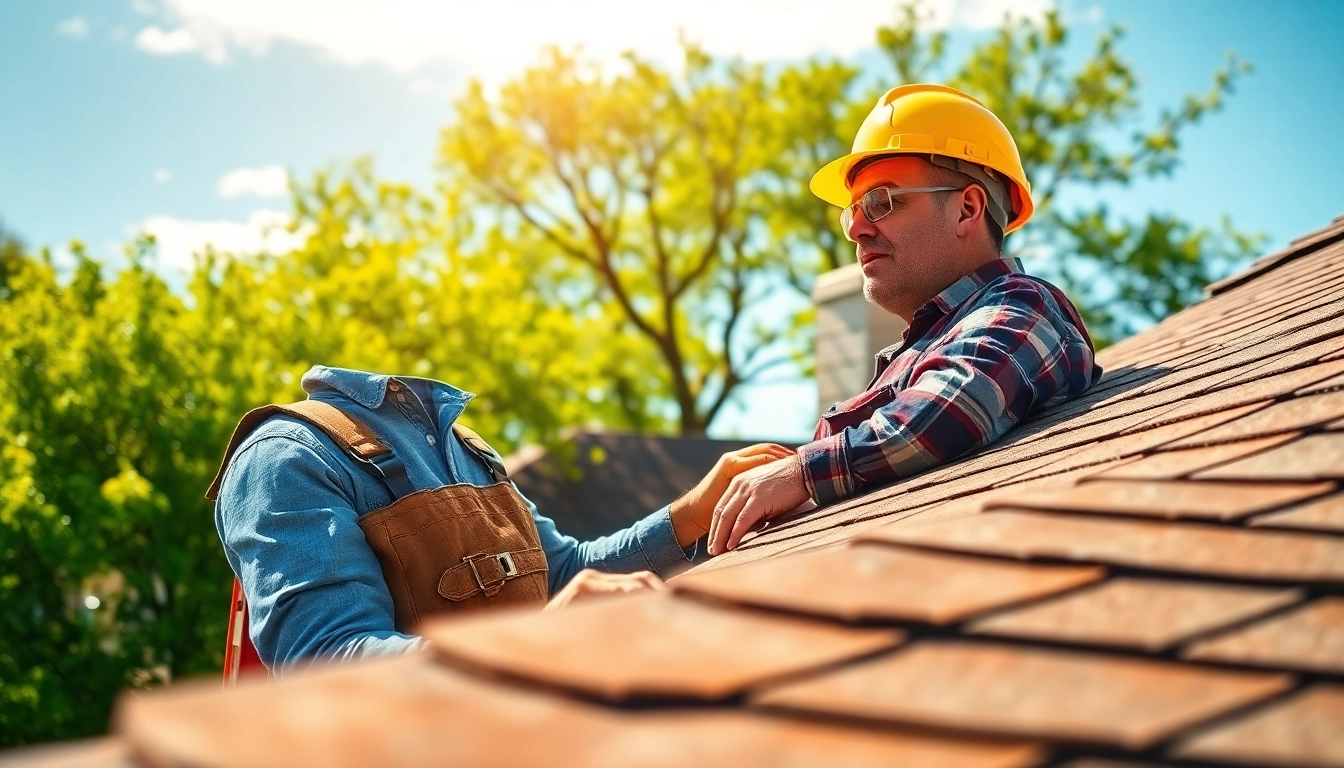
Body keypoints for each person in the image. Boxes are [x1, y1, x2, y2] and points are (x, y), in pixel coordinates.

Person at [706, 83, 1101, 556]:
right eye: (853, 212)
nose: (856, 228)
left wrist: (801, 472)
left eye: (881, 202)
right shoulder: (922, 349)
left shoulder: (1023, 307)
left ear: (968, 209)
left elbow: (959, 401)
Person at [209, 366, 790, 673]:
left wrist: (692, 513)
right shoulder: (286, 458)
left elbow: (564, 575)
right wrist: (531, 642)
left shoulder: (465, 448)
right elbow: (327, 663)